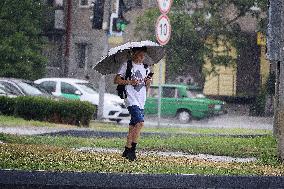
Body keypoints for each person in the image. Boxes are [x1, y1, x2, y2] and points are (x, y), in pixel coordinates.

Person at [114, 47, 152, 161]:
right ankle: (132, 151)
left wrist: (148, 82)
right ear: (134, 54)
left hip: (141, 99)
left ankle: (127, 149)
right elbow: (116, 80)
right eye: (140, 55)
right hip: (130, 98)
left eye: (143, 55)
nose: (142, 57)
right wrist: (130, 81)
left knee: (133, 126)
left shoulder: (146, 67)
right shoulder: (127, 65)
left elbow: (147, 86)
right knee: (140, 123)